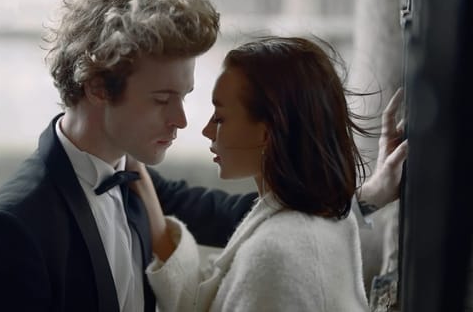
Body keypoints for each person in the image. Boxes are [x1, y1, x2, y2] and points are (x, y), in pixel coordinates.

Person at [0, 0, 406, 312]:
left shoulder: (136, 182)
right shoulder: (9, 231)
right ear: (96, 87)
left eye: (185, 96)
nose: (183, 120)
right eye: (162, 99)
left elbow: (250, 218)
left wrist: (371, 193)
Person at [127, 36, 409, 311]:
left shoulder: (275, 253)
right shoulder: (304, 227)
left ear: (266, 132)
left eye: (220, 117)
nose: (204, 130)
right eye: (160, 99)